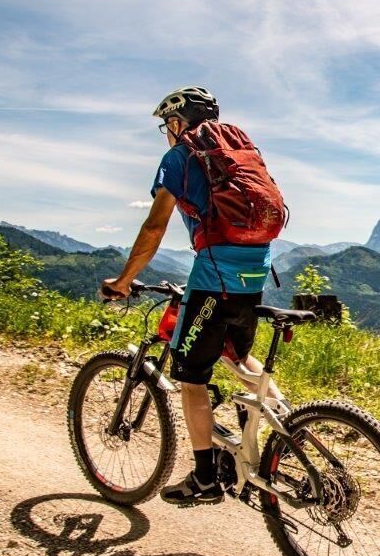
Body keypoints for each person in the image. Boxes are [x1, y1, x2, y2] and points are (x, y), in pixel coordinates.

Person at [101, 86, 285, 506]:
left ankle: (204, 478)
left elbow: (154, 226)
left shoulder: (180, 156)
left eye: (166, 126)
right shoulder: (239, 151)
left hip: (214, 273)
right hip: (255, 271)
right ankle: (287, 429)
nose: (166, 133)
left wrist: (125, 280)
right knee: (238, 356)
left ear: (177, 122)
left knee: (191, 377)